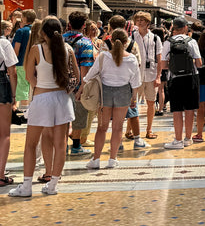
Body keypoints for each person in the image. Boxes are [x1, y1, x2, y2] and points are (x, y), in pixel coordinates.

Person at [9, 16, 79, 197]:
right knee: (61, 145)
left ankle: (26, 186)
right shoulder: (67, 49)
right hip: (62, 99)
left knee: (31, 144)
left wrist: (39, 87)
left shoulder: (37, 49)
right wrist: (64, 89)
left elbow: (28, 74)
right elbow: (77, 77)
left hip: (42, 98)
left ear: (42, 32)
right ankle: (53, 184)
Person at [80, 28, 143, 169]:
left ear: (111, 40)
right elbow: (135, 82)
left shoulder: (103, 56)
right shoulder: (132, 59)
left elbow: (91, 74)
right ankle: (112, 159)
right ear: (126, 42)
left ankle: (96, 159)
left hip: (105, 93)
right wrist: (134, 98)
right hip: (123, 93)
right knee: (118, 127)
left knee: (102, 128)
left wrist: (82, 87)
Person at [159, 18, 201, 149]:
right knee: (189, 109)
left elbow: (163, 65)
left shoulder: (168, 42)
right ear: (185, 28)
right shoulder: (192, 41)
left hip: (175, 78)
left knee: (177, 110)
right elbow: (199, 63)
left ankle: (178, 140)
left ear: (174, 28)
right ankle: (188, 138)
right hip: (191, 78)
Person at [63, 11, 95, 156]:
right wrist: (82, 87)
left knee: (63, 116)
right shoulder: (86, 43)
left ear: (69, 23)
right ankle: (76, 146)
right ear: (84, 25)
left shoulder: (60, 40)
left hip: (60, 84)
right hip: (77, 85)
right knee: (79, 115)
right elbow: (85, 67)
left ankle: (62, 145)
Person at [133, 12, 162, 140]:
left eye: (142, 20)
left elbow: (159, 59)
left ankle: (149, 129)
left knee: (151, 103)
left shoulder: (155, 38)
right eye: (138, 20)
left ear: (148, 22)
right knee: (132, 103)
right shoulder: (132, 37)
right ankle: (131, 130)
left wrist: (158, 76)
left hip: (151, 75)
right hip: (136, 75)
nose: (139, 22)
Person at [0, 29, 18, 184]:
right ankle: (0, 175)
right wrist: (13, 95)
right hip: (1, 85)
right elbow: (12, 71)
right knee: (4, 134)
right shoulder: (4, 43)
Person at [13, 8, 35, 113]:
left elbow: (16, 49)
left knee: (22, 85)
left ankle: (24, 110)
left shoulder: (20, 31)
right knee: (33, 85)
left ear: (25, 18)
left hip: (21, 61)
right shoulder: (37, 30)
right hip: (36, 62)